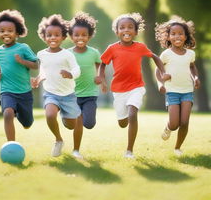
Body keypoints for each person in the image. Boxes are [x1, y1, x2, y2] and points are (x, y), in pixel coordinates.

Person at [98, 12, 169, 159]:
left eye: (130, 27)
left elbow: (155, 57)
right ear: (117, 32)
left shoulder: (140, 47)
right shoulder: (112, 48)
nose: (126, 30)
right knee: (123, 122)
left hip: (136, 87)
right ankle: (123, 120)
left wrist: (162, 72)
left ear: (136, 32)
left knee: (132, 114)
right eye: (122, 27)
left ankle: (129, 150)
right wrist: (102, 79)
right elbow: (103, 64)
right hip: (118, 90)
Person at [31, 14, 81, 157]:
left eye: (56, 35)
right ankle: (58, 140)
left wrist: (70, 74)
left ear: (63, 37)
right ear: (44, 36)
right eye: (49, 35)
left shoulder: (67, 54)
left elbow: (77, 69)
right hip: (51, 93)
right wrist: (38, 79)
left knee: (71, 125)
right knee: (50, 114)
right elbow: (43, 71)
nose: (53, 38)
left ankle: (66, 116)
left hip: (68, 96)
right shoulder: (41, 54)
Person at [0, 9, 38, 141]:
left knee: (27, 123)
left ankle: (21, 114)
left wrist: (22, 61)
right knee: (7, 114)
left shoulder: (23, 48)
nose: (6, 33)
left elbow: (36, 65)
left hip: (24, 92)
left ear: (17, 32)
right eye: (2, 31)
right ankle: (11, 145)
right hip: (6, 90)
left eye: (10, 30)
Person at [155, 16, 200, 156]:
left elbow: (192, 67)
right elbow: (158, 70)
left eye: (180, 33)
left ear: (186, 36)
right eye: (173, 34)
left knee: (184, 122)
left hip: (187, 91)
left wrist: (196, 77)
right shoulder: (166, 54)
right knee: (174, 124)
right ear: (168, 37)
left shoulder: (191, 54)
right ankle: (168, 127)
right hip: (172, 91)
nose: (177, 36)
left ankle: (177, 148)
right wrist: (160, 82)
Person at [68, 11, 105, 159]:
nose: (80, 38)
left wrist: (100, 78)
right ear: (71, 36)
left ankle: (78, 121)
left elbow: (100, 66)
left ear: (89, 36)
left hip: (90, 95)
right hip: (72, 95)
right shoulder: (68, 53)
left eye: (84, 35)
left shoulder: (94, 53)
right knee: (77, 121)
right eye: (76, 35)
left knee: (89, 124)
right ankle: (76, 150)